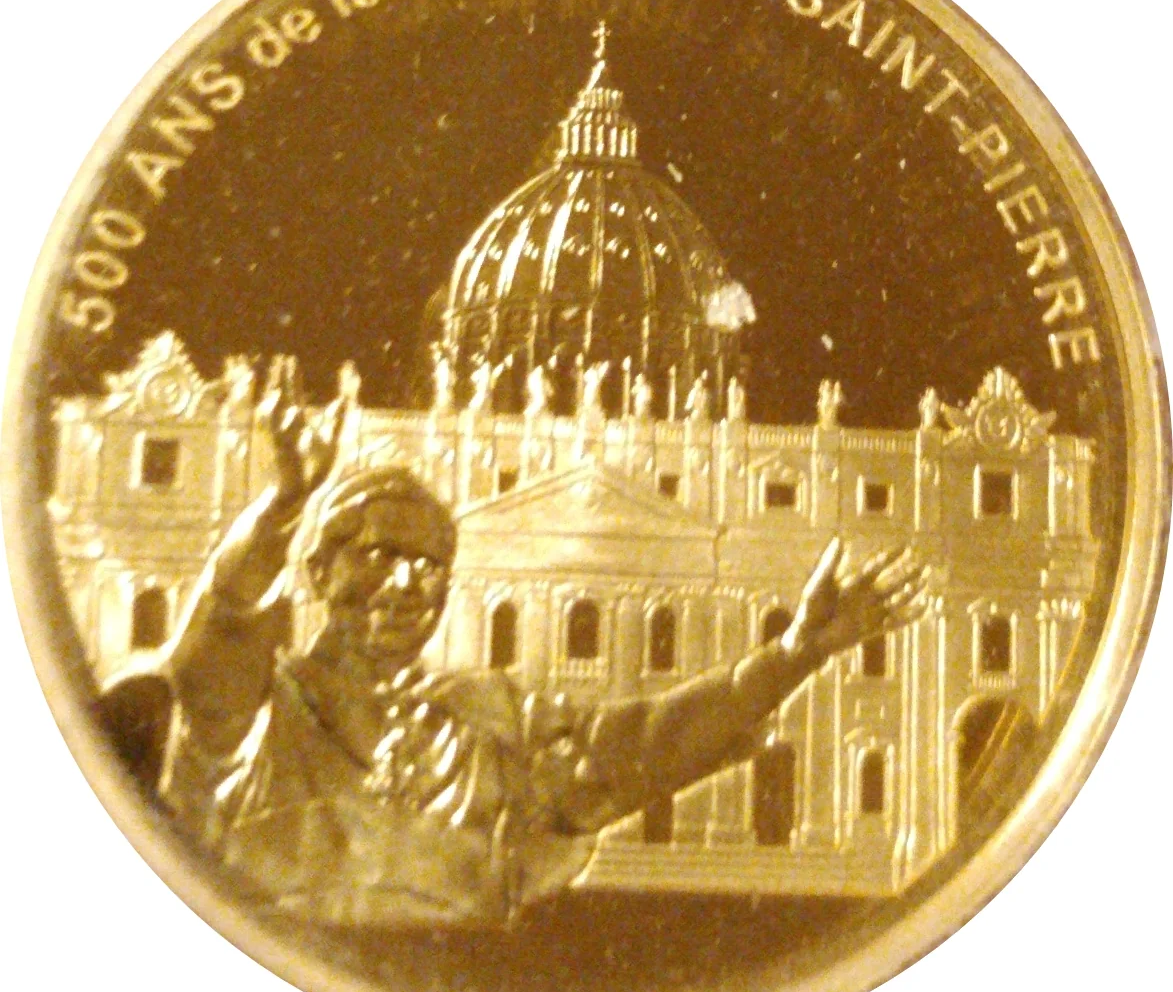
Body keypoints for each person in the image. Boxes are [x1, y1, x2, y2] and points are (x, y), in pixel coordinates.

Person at [149, 360, 927, 928]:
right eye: (381, 555)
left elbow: (634, 750)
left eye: (431, 566)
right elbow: (217, 644)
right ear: (319, 570)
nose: (410, 583)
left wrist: (793, 654)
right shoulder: (262, 707)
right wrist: (283, 504)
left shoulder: (488, 712)